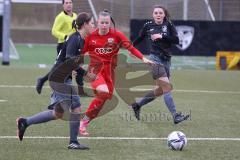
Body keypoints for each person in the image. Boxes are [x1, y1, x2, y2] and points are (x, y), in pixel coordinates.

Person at [16, 12, 95, 150]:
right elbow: (70, 61)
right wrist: (85, 73)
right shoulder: (74, 39)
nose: (94, 25)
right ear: (85, 25)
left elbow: (71, 62)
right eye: (92, 23)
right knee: (76, 106)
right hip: (59, 78)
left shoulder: (81, 40)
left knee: (58, 113)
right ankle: (73, 142)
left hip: (61, 77)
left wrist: (81, 75)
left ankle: (25, 122)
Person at [79, 10, 155, 136]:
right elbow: (81, 54)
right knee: (103, 93)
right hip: (95, 70)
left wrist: (143, 58)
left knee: (102, 100)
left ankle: (84, 122)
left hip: (109, 72)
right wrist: (77, 68)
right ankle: (82, 122)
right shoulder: (90, 37)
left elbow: (130, 48)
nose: (104, 25)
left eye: (106, 23)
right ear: (98, 22)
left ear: (110, 23)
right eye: (102, 22)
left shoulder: (117, 35)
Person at [130, 5, 190, 124]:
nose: (158, 14)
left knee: (159, 91)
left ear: (164, 14)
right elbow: (139, 38)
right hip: (154, 59)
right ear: (153, 15)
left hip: (167, 60)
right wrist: (131, 48)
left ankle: (137, 105)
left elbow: (176, 40)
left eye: (160, 13)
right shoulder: (148, 25)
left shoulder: (169, 24)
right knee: (167, 87)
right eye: (156, 13)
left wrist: (162, 36)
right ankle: (175, 115)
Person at [36, 0, 90, 97]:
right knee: (62, 68)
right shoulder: (60, 17)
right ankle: (53, 87)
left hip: (75, 44)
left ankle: (44, 80)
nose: (69, 4)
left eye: (70, 2)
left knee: (72, 67)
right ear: (63, 5)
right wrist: (65, 37)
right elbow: (54, 31)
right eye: (66, 3)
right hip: (63, 44)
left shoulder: (75, 16)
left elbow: (77, 29)